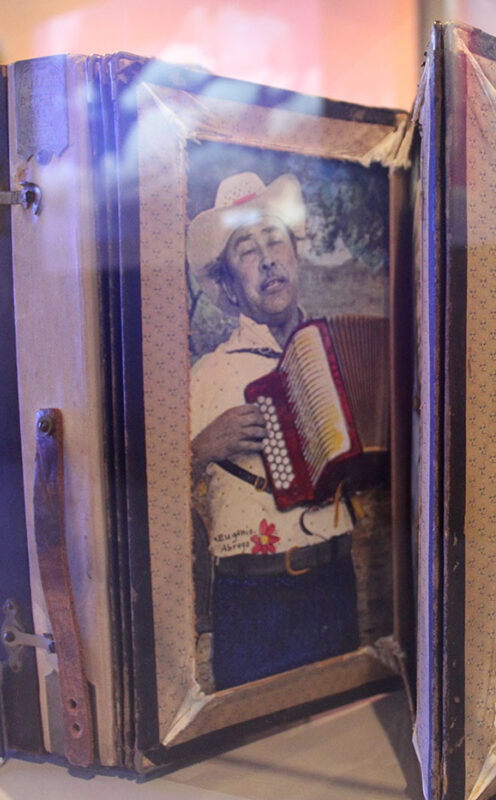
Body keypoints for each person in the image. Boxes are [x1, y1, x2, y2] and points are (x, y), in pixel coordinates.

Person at [187, 171, 357, 691]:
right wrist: (200, 449)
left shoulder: (341, 352)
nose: (267, 259)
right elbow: (144, 500)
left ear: (295, 255)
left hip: (335, 586)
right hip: (254, 602)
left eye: (275, 239)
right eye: (245, 250)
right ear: (228, 286)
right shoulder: (206, 376)